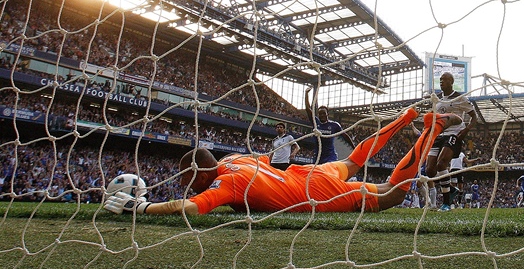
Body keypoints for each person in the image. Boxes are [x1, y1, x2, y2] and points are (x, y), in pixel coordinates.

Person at [104, 109, 463, 216]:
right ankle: (407, 118)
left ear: (201, 175)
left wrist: (144, 207)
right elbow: (267, 162)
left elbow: (190, 209)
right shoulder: (233, 159)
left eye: (188, 179)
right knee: (354, 161)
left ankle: (429, 131)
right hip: (306, 173)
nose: (187, 185)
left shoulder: (223, 184)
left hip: (313, 194)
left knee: (394, 194)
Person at [425, 72, 477, 212]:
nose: (441, 81)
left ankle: (446, 203)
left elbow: (474, 117)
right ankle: (452, 189)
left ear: (451, 82)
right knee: (429, 170)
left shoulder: (460, 98)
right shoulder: (437, 99)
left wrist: (465, 131)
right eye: (440, 79)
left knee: (442, 163)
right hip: (439, 135)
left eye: (445, 79)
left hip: (454, 134)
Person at [305, 87, 355, 163]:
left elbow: (345, 136)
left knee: (329, 172)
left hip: (330, 156)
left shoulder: (334, 125)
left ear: (327, 114)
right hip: (318, 156)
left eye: (323, 113)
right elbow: (308, 109)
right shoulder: (316, 122)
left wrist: (354, 147)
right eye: (320, 114)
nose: (321, 115)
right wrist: (306, 94)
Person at [448, 142, 479, 208]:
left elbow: (467, 161)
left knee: (460, 187)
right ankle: (451, 203)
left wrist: (475, 160)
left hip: (459, 170)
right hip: (453, 170)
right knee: (453, 187)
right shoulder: (451, 152)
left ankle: (459, 203)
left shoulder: (461, 154)